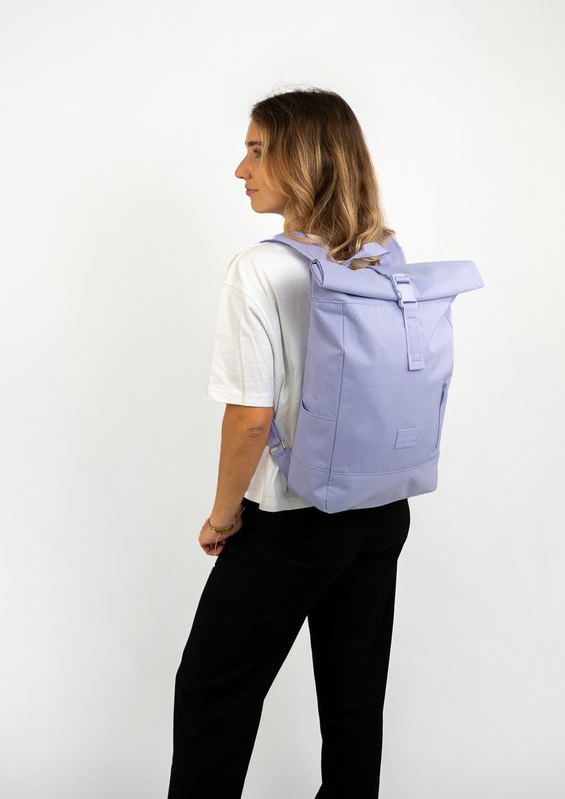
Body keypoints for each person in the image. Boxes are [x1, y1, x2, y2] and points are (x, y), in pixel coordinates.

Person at [167, 88, 411, 799]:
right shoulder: (382, 254)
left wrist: (223, 517)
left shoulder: (262, 268)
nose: (240, 169)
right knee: (353, 703)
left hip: (293, 521)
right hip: (379, 509)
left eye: (257, 150)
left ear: (303, 159)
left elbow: (250, 418)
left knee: (212, 695)